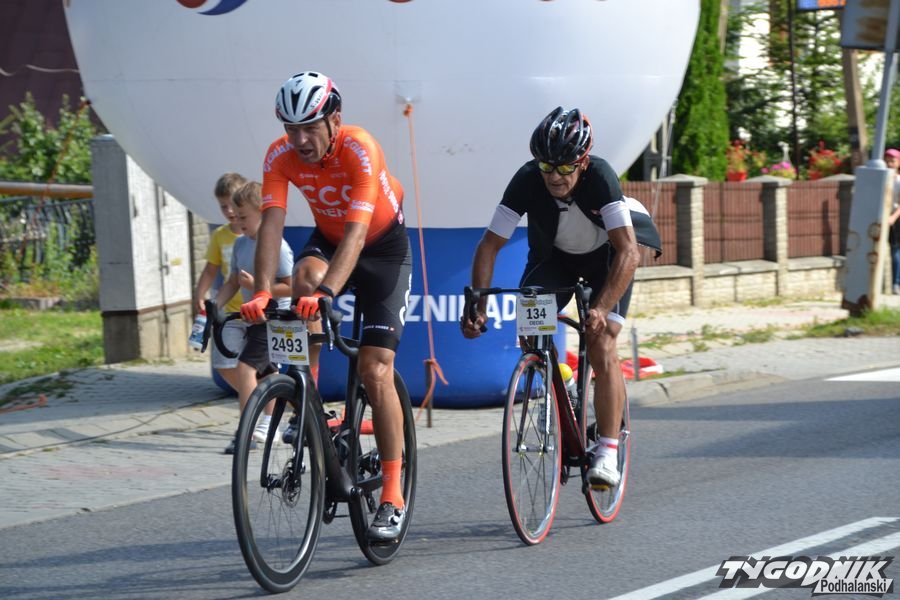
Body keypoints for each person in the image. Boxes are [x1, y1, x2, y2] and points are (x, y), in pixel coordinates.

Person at [242, 71, 413, 542]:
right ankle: (307, 397)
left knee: (376, 371)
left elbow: (357, 235)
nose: (298, 140)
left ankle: (393, 495)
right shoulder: (278, 155)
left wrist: (329, 293)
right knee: (302, 279)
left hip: (382, 250)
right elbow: (271, 224)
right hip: (331, 239)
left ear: (334, 120)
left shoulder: (361, 148)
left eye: (309, 128)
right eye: (290, 128)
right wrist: (261, 291)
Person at [460, 106, 661, 488]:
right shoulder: (527, 179)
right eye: (547, 166)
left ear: (583, 162)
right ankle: (560, 379)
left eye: (565, 167)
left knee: (602, 342)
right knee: (530, 328)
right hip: (554, 259)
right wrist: (478, 306)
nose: (554, 176)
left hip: (607, 259)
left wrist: (601, 308)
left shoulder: (601, 177)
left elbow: (628, 252)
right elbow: (489, 246)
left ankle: (607, 450)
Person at [216, 181, 294, 454]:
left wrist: (258, 286)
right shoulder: (240, 244)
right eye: (236, 217)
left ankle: (246, 430)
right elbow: (232, 281)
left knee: (246, 369)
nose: (238, 223)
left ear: (262, 213)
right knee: (265, 374)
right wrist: (214, 306)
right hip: (253, 317)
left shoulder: (277, 246)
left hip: (275, 318)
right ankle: (270, 424)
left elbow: (292, 286)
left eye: (244, 217)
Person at [194, 172, 247, 392]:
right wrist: (199, 295)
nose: (229, 211)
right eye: (223, 206)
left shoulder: (258, 234)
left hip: (257, 311)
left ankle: (261, 401)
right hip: (230, 310)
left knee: (257, 366)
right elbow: (210, 270)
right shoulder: (220, 235)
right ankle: (253, 396)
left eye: (232, 205)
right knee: (224, 364)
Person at [885, 148, 900, 295]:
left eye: (893, 161)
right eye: (887, 161)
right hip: (884, 218)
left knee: (895, 250)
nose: (889, 163)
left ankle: (896, 284)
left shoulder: (899, 182)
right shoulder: (882, 179)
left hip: (896, 219)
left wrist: (893, 218)